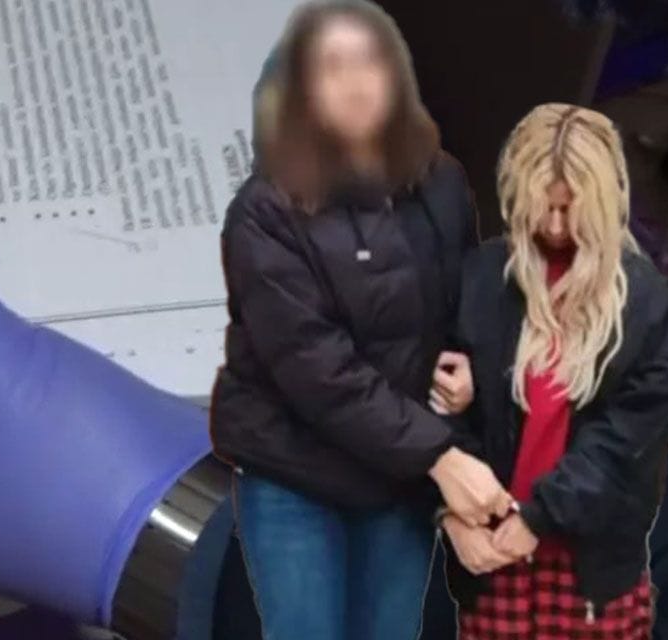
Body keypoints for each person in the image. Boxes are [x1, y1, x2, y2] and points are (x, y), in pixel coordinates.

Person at [208, 1, 510, 638]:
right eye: (332, 66)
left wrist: (473, 371)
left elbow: (469, 310)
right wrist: (443, 459)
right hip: (296, 473)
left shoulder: (442, 183)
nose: (354, 82)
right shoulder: (263, 214)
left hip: (400, 476)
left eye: (369, 61)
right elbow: (319, 372)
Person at [433, 104, 668, 639]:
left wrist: (540, 517)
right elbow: (438, 411)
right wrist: (451, 516)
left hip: (590, 566)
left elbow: (626, 444)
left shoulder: (643, 301)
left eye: (569, 210)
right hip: (493, 556)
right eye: (541, 208)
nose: (553, 226)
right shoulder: (481, 279)